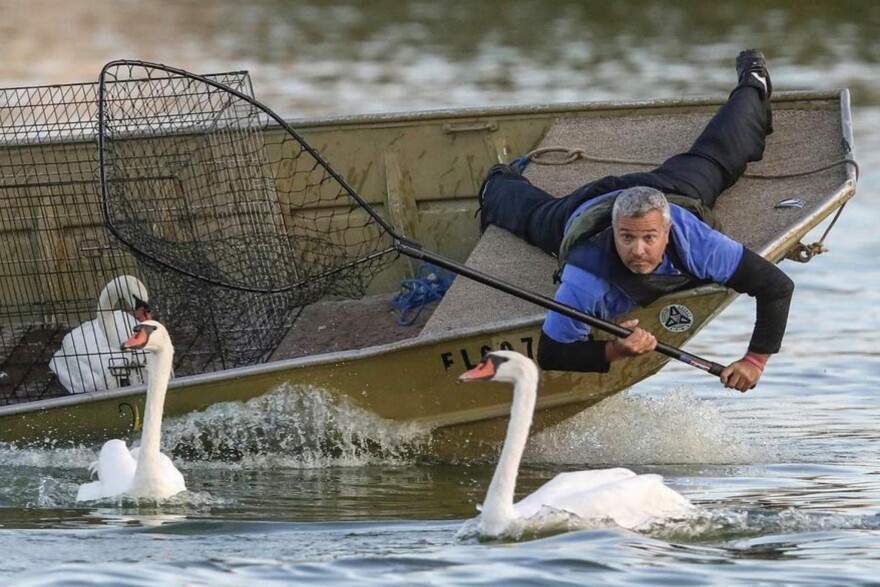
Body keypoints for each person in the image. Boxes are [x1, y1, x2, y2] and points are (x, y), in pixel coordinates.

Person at [478, 50, 793, 392]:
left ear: (668, 231)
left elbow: (776, 287)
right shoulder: (585, 277)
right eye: (627, 238)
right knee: (530, 215)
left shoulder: (696, 241)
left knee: (720, 155)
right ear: (615, 232)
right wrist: (614, 349)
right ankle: (497, 179)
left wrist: (754, 360)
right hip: (587, 209)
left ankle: (754, 81)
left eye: (649, 239)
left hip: (671, 192)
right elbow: (551, 352)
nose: (638, 250)